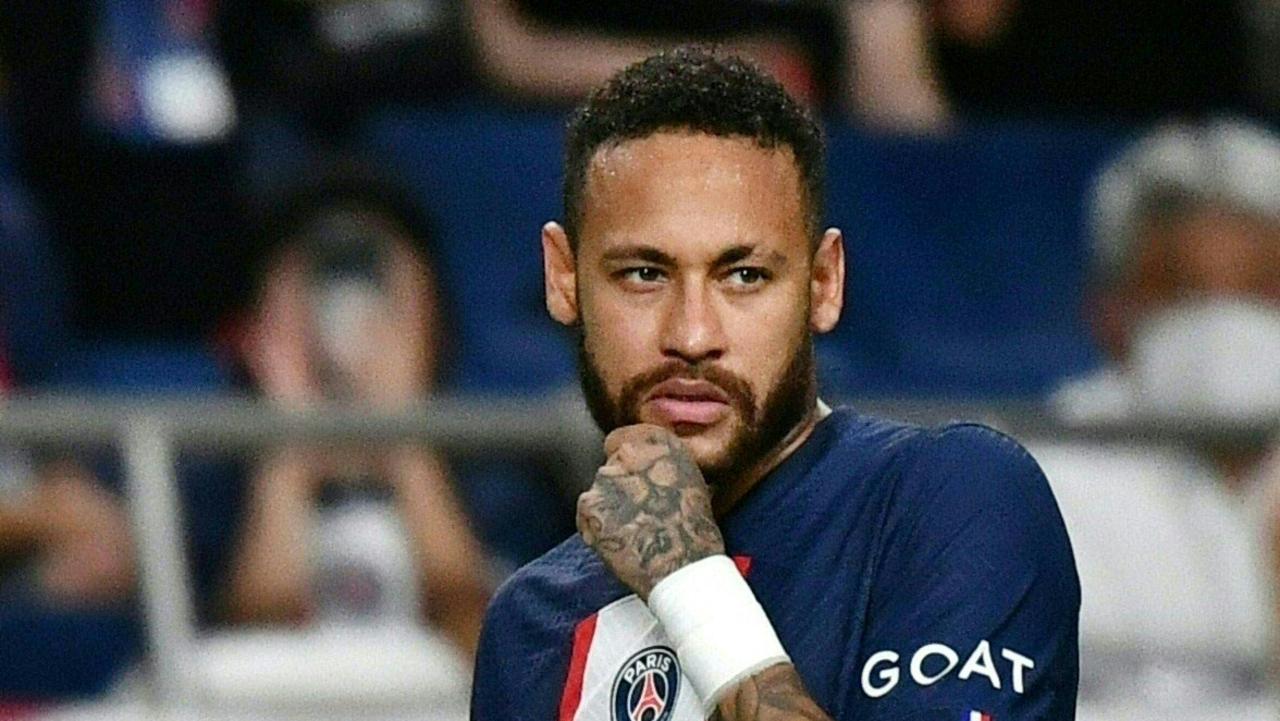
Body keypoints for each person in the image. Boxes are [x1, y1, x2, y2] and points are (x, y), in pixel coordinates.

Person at [472, 46, 1079, 720]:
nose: (693, 334)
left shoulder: (952, 499)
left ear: (825, 283)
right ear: (563, 277)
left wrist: (689, 583)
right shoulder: (529, 626)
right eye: (644, 274)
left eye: (745, 276)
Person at [222, 169, 492, 659]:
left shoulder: (495, 456)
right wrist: (290, 441)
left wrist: (404, 434)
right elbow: (250, 652)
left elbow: (482, 646)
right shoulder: (214, 460)